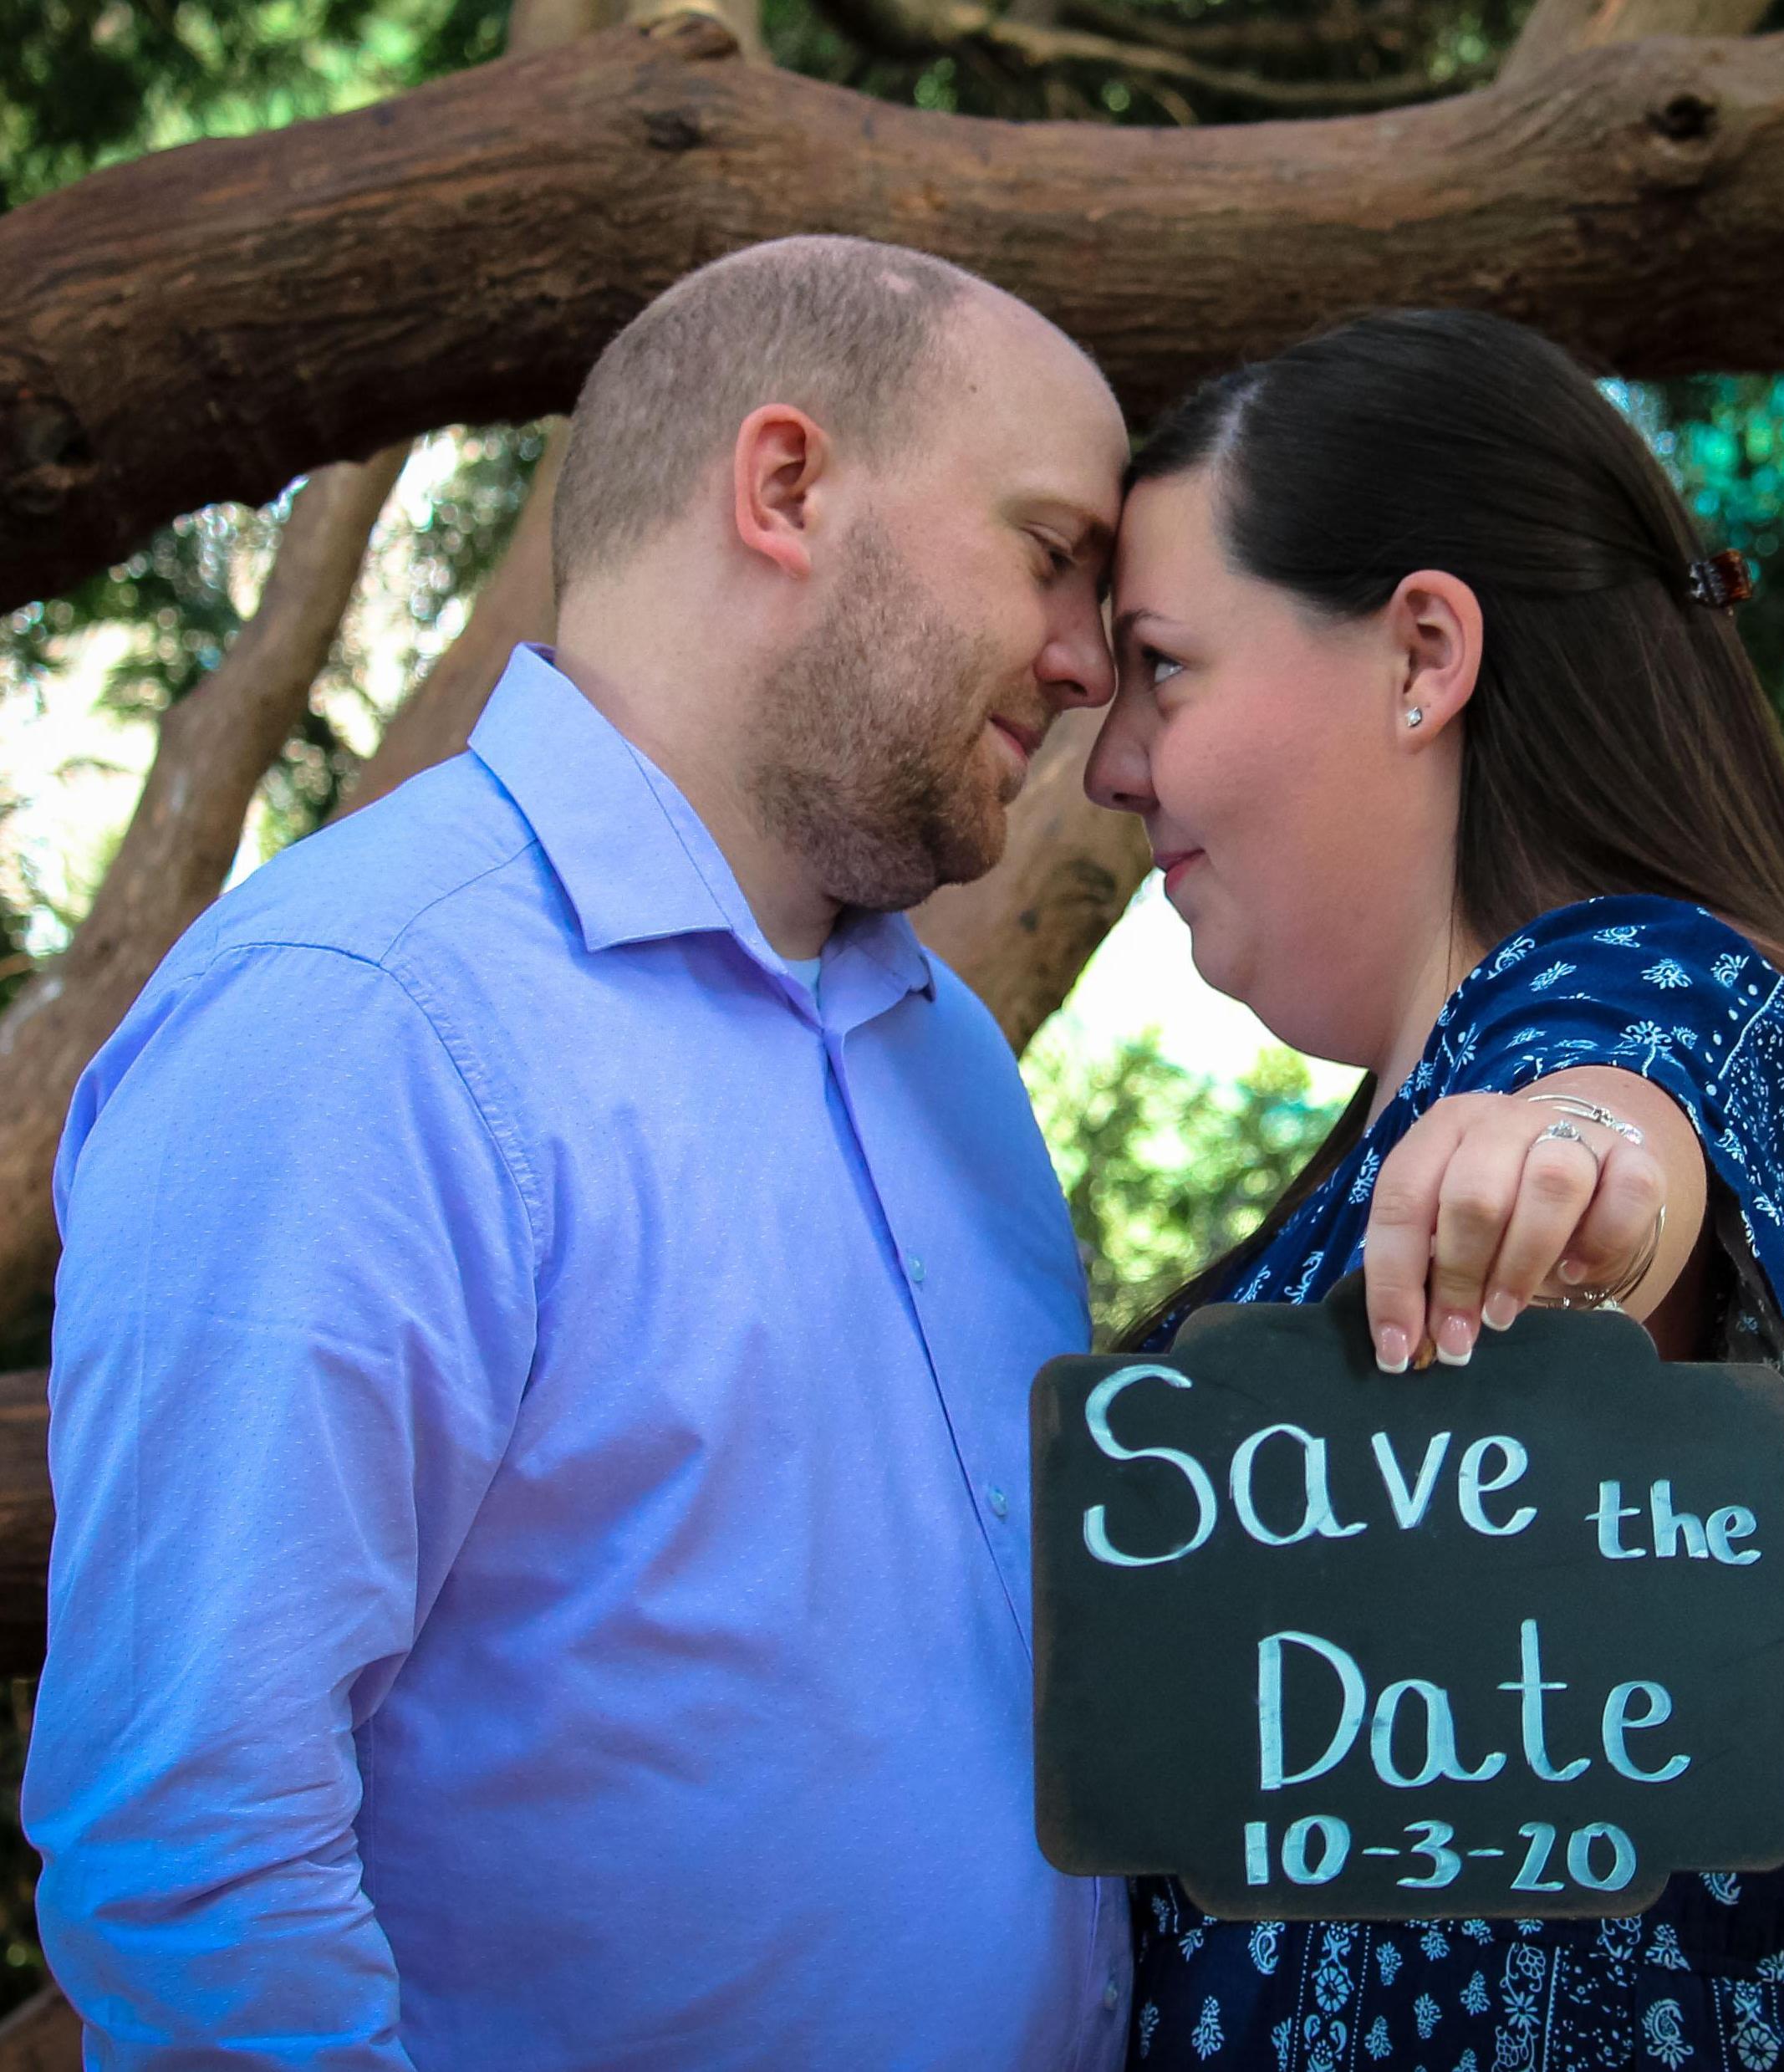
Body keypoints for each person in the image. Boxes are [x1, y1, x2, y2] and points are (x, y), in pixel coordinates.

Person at [26, 236, 1134, 2070]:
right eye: (1049, 554)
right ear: (785, 487)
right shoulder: (355, 1022)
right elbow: (194, 1869)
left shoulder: (952, 1066)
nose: (1090, 661)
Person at [1083, 308, 1784, 2071]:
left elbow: (1630, 1103)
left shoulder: (1650, 999)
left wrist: (1581, 1164)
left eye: (1163, 665)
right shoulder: (1646, 1036)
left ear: (1424, 653)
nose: (1110, 765)